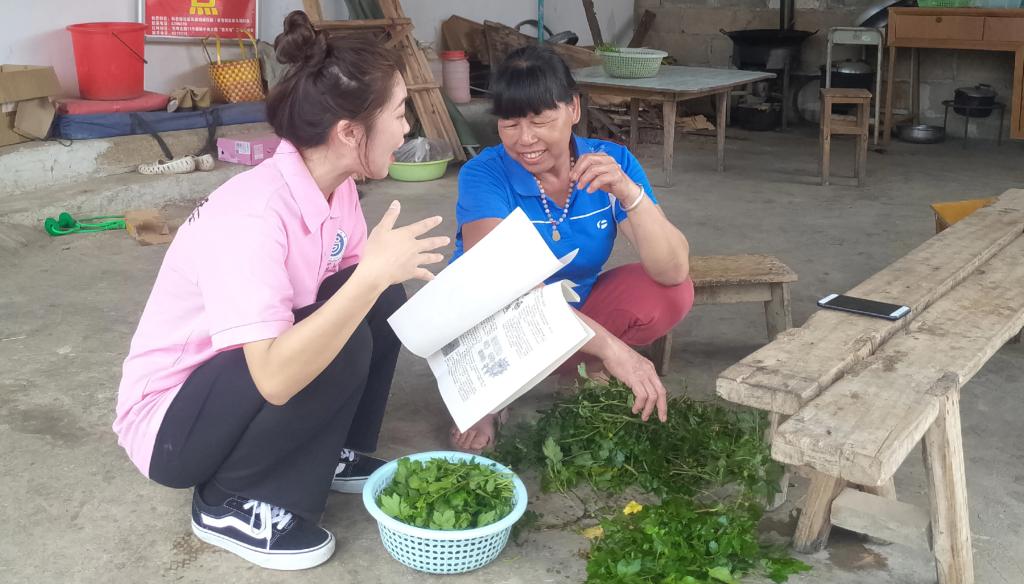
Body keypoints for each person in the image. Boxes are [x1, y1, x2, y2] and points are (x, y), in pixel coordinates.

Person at [112, 12, 448, 571]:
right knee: (349, 323)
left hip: (234, 379)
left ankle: (331, 448)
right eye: (398, 113)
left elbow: (353, 292)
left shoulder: (336, 188)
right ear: (349, 132)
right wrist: (370, 278)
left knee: (381, 302)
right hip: (173, 427)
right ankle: (230, 501)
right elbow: (272, 375)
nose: (407, 128)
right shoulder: (253, 215)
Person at [449, 45, 694, 453]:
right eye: (510, 124)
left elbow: (673, 269)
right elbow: (499, 285)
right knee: (498, 296)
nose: (525, 139)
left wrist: (629, 194)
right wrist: (614, 349)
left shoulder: (611, 162)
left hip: (570, 316)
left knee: (671, 291)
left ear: (574, 109)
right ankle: (487, 393)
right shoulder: (484, 174)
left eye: (540, 121)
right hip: (494, 324)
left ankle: (583, 365)